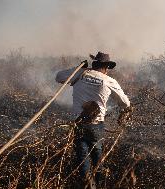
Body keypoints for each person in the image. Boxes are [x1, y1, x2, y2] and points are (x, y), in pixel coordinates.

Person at [55, 52, 131, 188]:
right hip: (96, 126)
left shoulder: (81, 74)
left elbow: (59, 77)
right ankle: (98, 184)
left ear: (94, 64)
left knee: (83, 159)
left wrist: (78, 68)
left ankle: (87, 184)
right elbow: (125, 103)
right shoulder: (109, 81)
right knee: (97, 159)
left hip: (79, 124)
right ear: (106, 67)